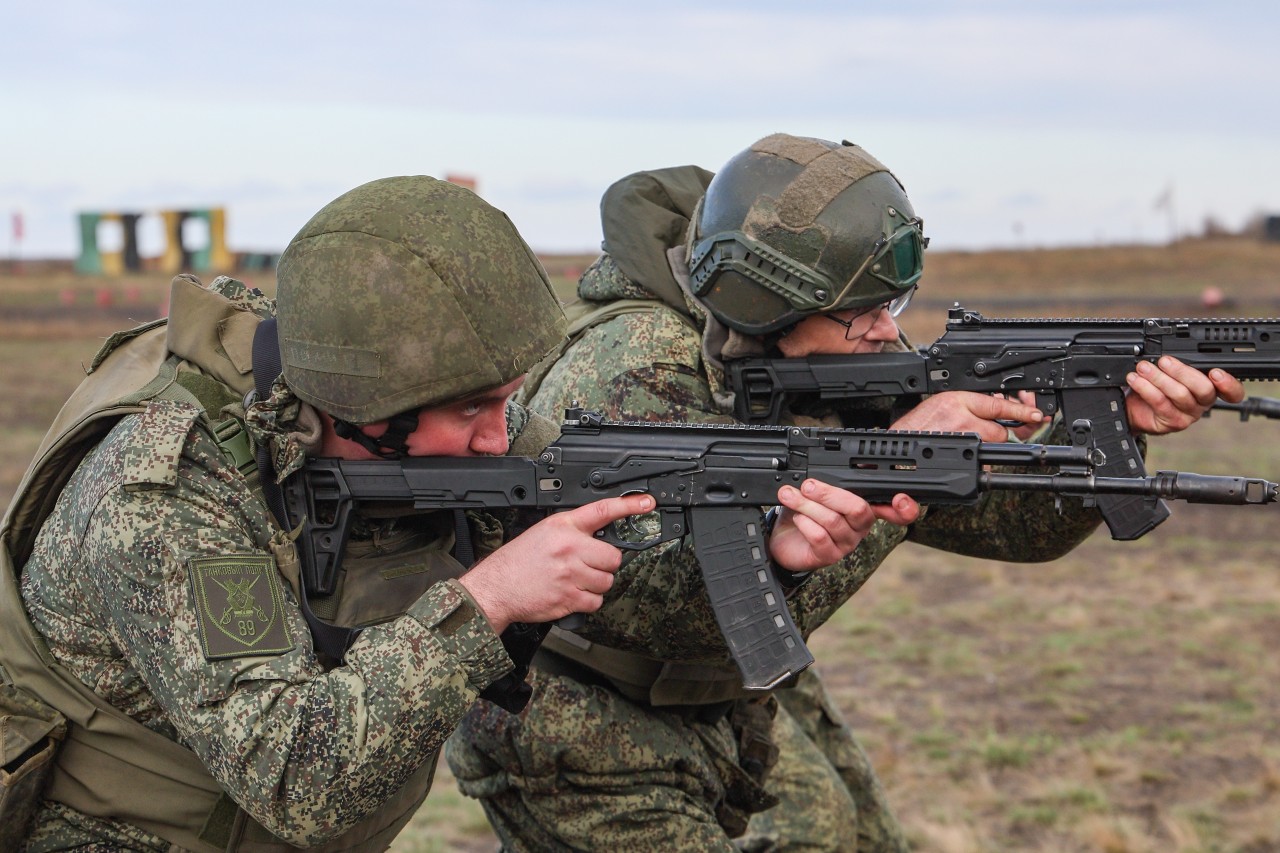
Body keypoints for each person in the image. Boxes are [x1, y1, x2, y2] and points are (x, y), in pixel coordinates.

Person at [0, 175, 893, 852]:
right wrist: (488, 601)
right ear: (367, 408)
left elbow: (618, 570)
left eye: (507, 399)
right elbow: (300, 777)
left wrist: (767, 546)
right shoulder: (165, 495)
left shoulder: (468, 435)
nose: (501, 431)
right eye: (472, 408)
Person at [444, 134, 1243, 851]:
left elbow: (1012, 528)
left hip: (727, 695)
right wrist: (900, 459)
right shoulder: (628, 368)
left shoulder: (810, 356)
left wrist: (1106, 426)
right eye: (861, 314)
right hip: (579, 723)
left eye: (892, 306)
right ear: (771, 307)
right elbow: (670, 609)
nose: (888, 333)